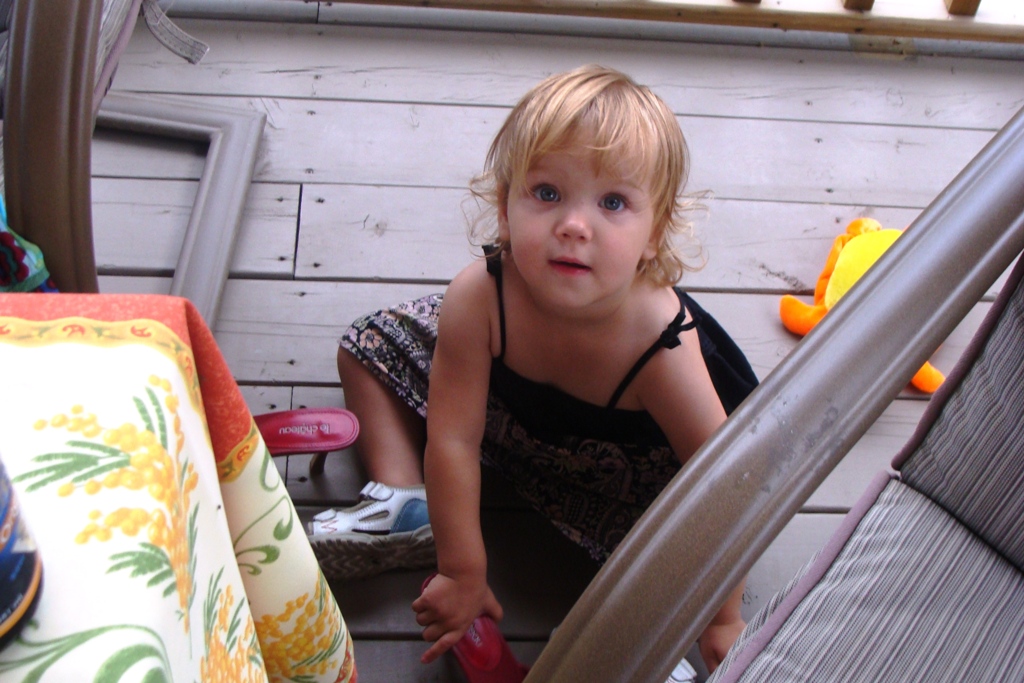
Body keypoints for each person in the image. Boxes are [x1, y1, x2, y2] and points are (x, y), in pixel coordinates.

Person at [308, 64, 751, 675]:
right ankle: (408, 501)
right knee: (370, 342)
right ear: (504, 207)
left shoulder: (661, 342)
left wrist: (722, 617)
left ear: (655, 233)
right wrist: (462, 571)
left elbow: (728, 484)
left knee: (659, 556)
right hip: (513, 423)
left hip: (623, 478)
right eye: (547, 193)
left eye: (613, 202)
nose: (573, 225)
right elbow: (454, 439)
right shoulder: (481, 295)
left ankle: (647, 638)